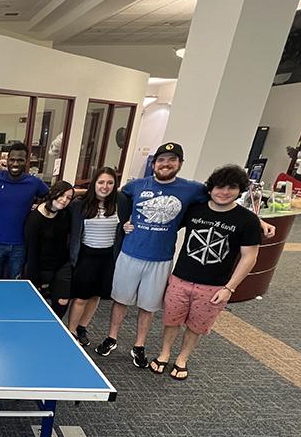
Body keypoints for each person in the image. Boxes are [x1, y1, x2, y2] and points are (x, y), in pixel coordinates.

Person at [94, 142, 274, 367]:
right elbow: (112, 199)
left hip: (161, 259)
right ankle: (112, 338)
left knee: (148, 306)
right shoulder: (135, 186)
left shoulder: (192, 190)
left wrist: (258, 220)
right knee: (120, 300)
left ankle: (139, 345)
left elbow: (225, 200)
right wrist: (125, 222)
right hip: (130, 253)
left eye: (172, 160)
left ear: (180, 164)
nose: (166, 164)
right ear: (154, 163)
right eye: (161, 159)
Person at [149, 165, 261, 380]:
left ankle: (182, 358)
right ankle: (164, 353)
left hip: (214, 286)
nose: (224, 192)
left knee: (196, 326)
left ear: (240, 190)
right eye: (219, 186)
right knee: (171, 320)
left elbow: (249, 257)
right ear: (210, 189)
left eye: (232, 187)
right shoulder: (195, 209)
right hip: (180, 278)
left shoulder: (247, 220)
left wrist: (230, 288)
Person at [66, 167, 130, 346]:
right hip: (86, 255)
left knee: (96, 296)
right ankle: (71, 331)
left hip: (108, 257)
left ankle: (82, 327)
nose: (105, 186)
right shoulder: (79, 204)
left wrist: (128, 227)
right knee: (81, 297)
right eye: (101, 182)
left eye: (110, 183)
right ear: (94, 183)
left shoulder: (122, 202)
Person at [0, 142, 49, 279]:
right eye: (12, 160)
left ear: (26, 161)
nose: (15, 164)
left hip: (20, 245)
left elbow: (53, 196)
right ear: (7, 160)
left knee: (14, 285)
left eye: (20, 160)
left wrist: (37, 208)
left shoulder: (34, 183)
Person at [23, 180, 74, 317]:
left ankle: (54, 324)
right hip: (41, 267)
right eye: (61, 195)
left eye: (69, 197)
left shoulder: (66, 214)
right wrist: (35, 280)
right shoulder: (34, 219)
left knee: (63, 301)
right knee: (35, 305)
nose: (64, 200)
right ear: (53, 193)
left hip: (62, 266)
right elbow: (31, 252)